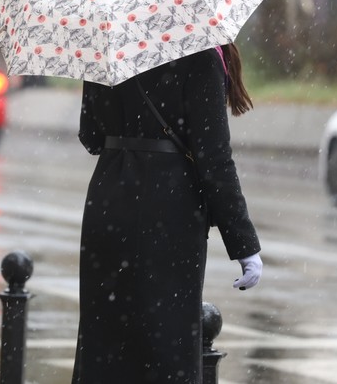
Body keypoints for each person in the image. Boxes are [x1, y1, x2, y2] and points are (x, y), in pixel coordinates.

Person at [72, 43, 263, 384]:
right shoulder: (200, 56)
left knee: (103, 348)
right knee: (165, 350)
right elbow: (214, 159)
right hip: (168, 210)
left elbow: (91, 135)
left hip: (107, 202)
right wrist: (244, 244)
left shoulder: (107, 48)